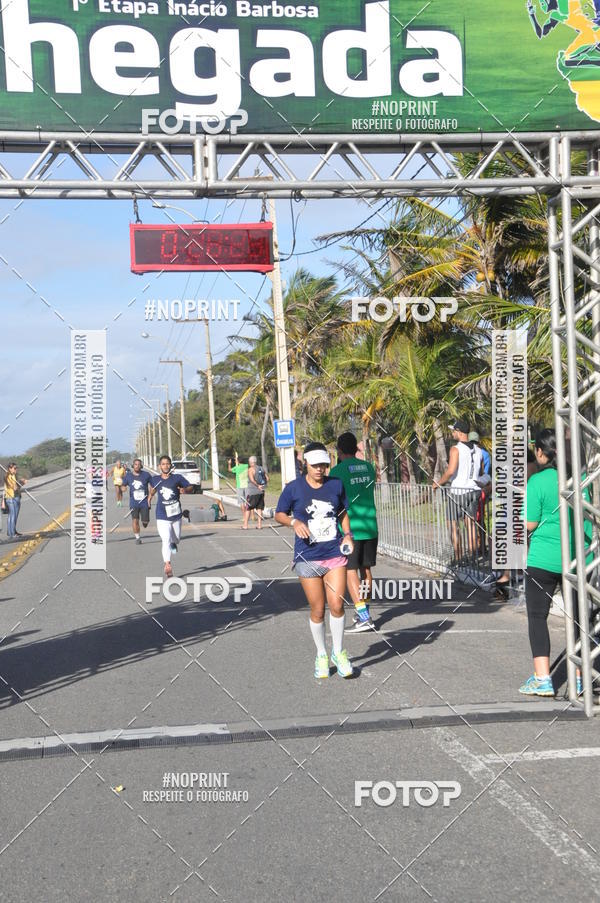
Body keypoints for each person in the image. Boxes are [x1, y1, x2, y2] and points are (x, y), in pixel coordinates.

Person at [519, 429, 592, 697]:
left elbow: (530, 524)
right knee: (579, 618)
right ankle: (580, 676)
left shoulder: (537, 481)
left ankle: (542, 679)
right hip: (579, 558)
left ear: (541, 452)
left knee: (538, 617)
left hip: (543, 559)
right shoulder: (584, 479)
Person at [275, 441, 355, 680]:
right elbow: (279, 513)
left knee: (337, 605)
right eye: (315, 464)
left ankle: (338, 652)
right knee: (318, 610)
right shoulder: (293, 488)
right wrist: (294, 522)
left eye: (323, 464)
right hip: (307, 556)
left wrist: (348, 534)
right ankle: (321, 654)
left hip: (334, 554)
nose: (320, 469)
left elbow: (342, 513)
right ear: (305, 464)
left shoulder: (336, 485)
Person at [330, 431, 378, 632]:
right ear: (356, 449)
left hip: (349, 529)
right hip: (370, 526)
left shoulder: (337, 471)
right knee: (366, 570)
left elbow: (333, 498)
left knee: (350, 571)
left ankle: (364, 617)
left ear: (339, 451)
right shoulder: (369, 468)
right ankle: (364, 610)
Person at [434, 420, 483, 561]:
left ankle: (458, 558)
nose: (452, 433)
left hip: (458, 492)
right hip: (474, 491)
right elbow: (481, 471)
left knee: (452, 524)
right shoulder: (479, 450)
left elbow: (450, 471)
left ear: (460, 432)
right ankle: (473, 558)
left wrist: (437, 483)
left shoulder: (456, 449)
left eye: (454, 431)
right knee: (471, 525)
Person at [148, 455, 194, 578]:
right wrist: (150, 496)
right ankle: (167, 564)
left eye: (167, 463)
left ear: (170, 465)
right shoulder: (155, 479)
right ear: (159, 466)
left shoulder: (177, 478)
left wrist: (185, 489)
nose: (165, 466)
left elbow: (190, 486)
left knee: (176, 539)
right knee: (165, 539)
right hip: (162, 515)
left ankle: (174, 543)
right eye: (163, 464)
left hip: (176, 515)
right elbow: (152, 491)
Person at [122, 458, 153, 544]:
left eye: (139, 464)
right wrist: (123, 488)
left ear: (141, 466)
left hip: (144, 502)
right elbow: (123, 485)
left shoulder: (146, 475)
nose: (137, 466)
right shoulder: (128, 476)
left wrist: (150, 497)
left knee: (145, 522)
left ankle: (145, 522)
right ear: (133, 465)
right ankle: (137, 538)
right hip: (134, 503)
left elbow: (153, 485)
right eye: (135, 464)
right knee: (135, 520)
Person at [244, 456, 269, 529]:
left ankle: (245, 525)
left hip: (252, 492)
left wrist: (258, 486)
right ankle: (259, 525)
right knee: (259, 508)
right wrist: (262, 486)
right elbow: (267, 478)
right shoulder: (261, 468)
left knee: (248, 508)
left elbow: (252, 480)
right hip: (261, 492)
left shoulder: (251, 469)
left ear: (250, 462)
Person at [3, 462, 26, 538]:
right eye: (14, 468)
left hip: (10, 498)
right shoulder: (10, 476)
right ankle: (12, 533)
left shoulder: (9, 476)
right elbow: (15, 488)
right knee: (14, 516)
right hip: (13, 498)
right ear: (10, 469)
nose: (16, 469)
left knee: (11, 516)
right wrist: (22, 483)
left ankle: (11, 532)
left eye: (16, 468)